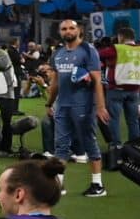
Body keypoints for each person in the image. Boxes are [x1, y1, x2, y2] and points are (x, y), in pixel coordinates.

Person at [42, 17, 109, 198]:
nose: (68, 32)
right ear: (60, 32)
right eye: (64, 29)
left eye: (71, 28)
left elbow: (97, 81)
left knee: (89, 142)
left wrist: (101, 107)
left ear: (78, 30)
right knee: (60, 146)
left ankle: (98, 184)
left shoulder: (88, 50)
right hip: (62, 105)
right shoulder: (58, 53)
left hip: (83, 105)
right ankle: (58, 185)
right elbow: (55, 82)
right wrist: (50, 102)